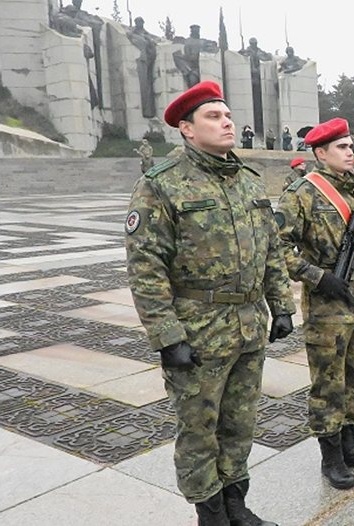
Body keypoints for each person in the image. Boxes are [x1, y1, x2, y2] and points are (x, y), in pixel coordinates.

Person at [125, 81, 295, 525]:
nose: (227, 122)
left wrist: (282, 305)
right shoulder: (160, 185)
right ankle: (211, 512)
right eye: (213, 117)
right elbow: (146, 268)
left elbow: (271, 250)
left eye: (227, 115)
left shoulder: (248, 180)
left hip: (247, 323)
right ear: (186, 129)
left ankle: (236, 503)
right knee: (199, 428)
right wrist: (167, 337)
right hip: (197, 329)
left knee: (240, 421)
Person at [275, 117, 354, 490]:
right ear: (320, 153)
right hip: (328, 306)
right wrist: (318, 276)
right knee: (329, 383)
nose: (351, 152)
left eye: (351, 146)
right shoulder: (303, 194)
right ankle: (331, 456)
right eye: (342, 147)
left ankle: (351, 443)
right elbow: (275, 247)